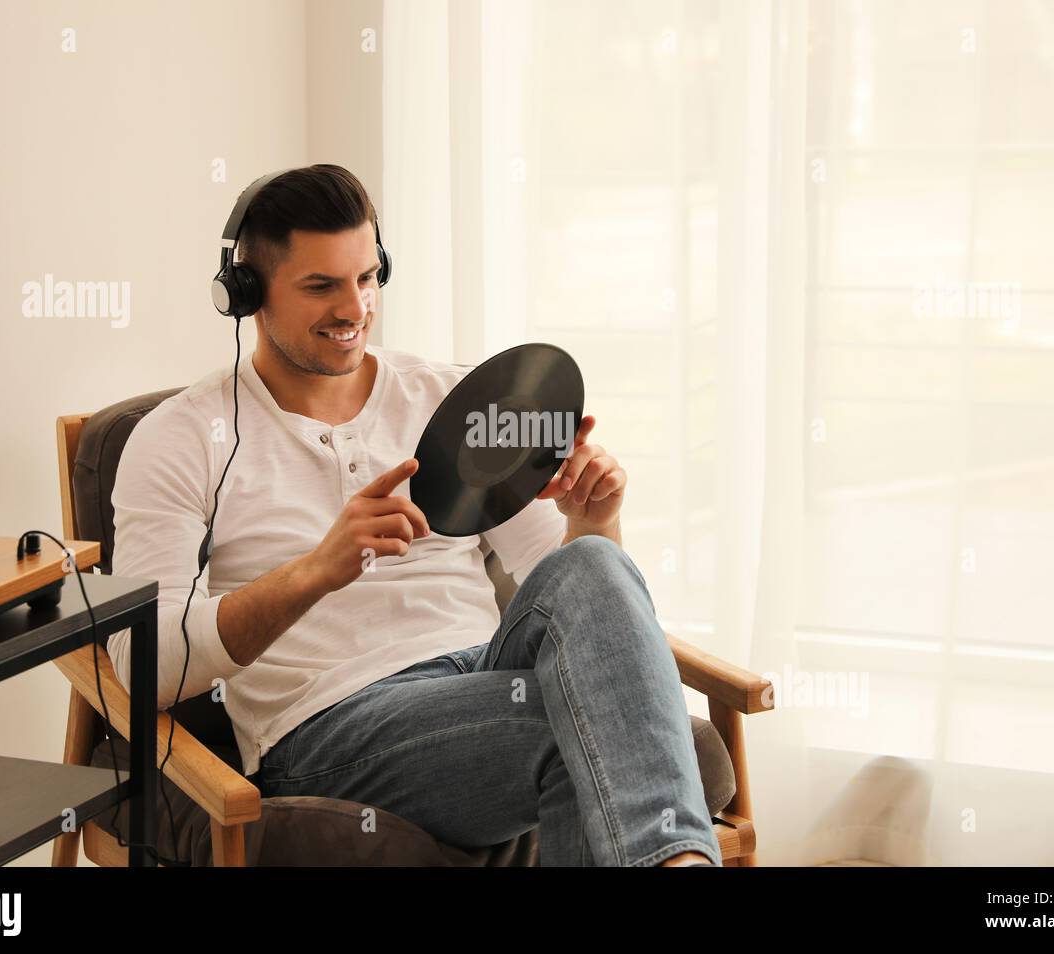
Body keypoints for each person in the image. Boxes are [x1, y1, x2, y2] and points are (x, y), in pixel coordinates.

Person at [108, 164, 721, 866]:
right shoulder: (180, 438)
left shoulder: (449, 397)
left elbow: (562, 589)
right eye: (321, 287)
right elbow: (143, 664)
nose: (355, 309)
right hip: (331, 724)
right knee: (599, 737)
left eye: (368, 278)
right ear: (245, 294)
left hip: (482, 674)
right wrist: (315, 573)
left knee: (592, 564)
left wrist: (594, 518)